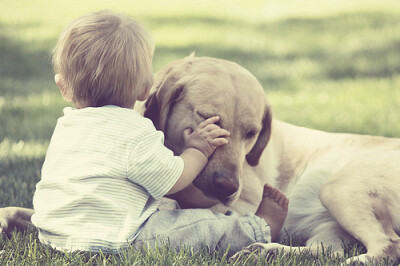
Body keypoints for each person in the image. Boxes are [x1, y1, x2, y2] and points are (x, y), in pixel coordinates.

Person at [31, 10, 289, 255]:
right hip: (121, 237)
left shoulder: (65, 127)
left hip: (55, 231)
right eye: (207, 119)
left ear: (62, 86)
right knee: (202, 227)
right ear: (146, 91)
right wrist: (196, 151)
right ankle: (259, 228)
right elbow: (171, 179)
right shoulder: (136, 133)